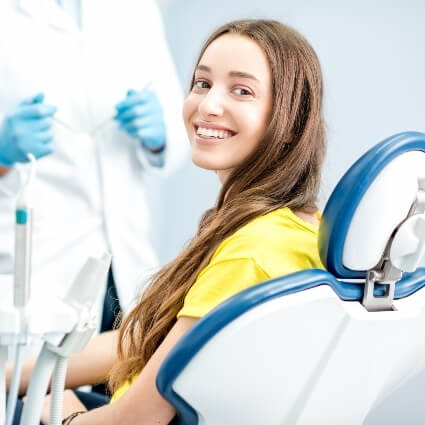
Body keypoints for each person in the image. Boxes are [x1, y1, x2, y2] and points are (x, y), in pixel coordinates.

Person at [11, 18, 326, 424]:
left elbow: (135, 420)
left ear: (290, 121)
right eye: (202, 83)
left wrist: (60, 411)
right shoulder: (292, 226)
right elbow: (150, 340)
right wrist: (22, 375)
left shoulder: (251, 252)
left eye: (242, 90)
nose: (208, 105)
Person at [0, 0, 187, 341]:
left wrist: (161, 136)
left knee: (120, 378)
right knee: (34, 387)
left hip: (124, 258)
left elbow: (180, 129)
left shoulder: (137, 9)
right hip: (37, 260)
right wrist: (2, 152)